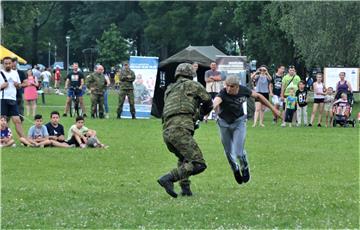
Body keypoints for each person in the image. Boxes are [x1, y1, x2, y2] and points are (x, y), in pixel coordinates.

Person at [157, 63, 213, 198]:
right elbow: (208, 102)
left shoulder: (169, 89)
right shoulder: (193, 85)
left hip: (167, 131)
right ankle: (168, 178)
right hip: (181, 128)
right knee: (199, 163)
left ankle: (186, 189)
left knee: (184, 157)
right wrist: (199, 115)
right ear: (191, 74)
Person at [212, 76, 280, 184]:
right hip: (224, 123)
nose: (229, 89)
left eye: (232, 86)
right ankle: (235, 169)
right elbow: (215, 101)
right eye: (227, 86)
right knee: (228, 151)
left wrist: (273, 109)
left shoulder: (244, 90)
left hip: (239, 122)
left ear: (237, 86)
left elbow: (258, 96)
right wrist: (209, 109)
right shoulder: (223, 93)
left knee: (239, 151)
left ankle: (245, 167)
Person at [0, 57, 27, 139]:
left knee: (17, 120)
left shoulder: (15, 73)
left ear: (12, 64)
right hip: (2, 99)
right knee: (3, 121)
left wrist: (18, 85)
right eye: (6, 63)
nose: (8, 65)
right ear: (3, 64)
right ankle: (4, 138)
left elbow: (19, 85)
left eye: (9, 63)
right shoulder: (0, 73)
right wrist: (1, 86)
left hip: (13, 99)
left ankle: (24, 140)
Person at [11, 57, 26, 122]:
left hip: (18, 96)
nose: (14, 65)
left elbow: (26, 83)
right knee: (6, 118)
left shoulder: (21, 73)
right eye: (13, 64)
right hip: (8, 97)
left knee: (20, 117)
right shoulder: (5, 73)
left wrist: (19, 85)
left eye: (15, 63)